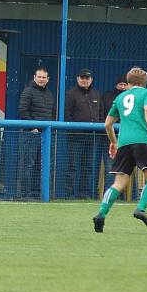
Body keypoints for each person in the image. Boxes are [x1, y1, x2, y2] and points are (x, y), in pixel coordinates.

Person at [93, 67, 147, 233]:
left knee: (119, 183)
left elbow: (108, 124)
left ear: (128, 82)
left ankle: (101, 213)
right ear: (145, 83)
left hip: (123, 143)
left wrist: (114, 142)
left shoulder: (120, 97)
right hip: (142, 141)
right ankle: (141, 209)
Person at [64, 68, 103, 199]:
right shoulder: (71, 94)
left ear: (91, 79)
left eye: (87, 78)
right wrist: (74, 129)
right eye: (82, 78)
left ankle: (84, 194)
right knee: (72, 166)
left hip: (92, 136)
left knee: (88, 167)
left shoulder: (96, 94)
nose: (85, 80)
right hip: (75, 136)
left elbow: (101, 113)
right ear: (77, 79)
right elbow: (66, 114)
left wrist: (99, 127)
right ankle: (69, 195)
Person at [17, 67, 55, 199]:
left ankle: (39, 194)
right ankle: (25, 195)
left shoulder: (49, 94)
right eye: (39, 77)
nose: (41, 79)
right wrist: (32, 127)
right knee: (28, 164)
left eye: (44, 77)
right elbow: (23, 111)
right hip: (30, 135)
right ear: (34, 77)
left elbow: (52, 113)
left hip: (46, 136)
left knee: (43, 165)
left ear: (47, 79)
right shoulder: (28, 91)